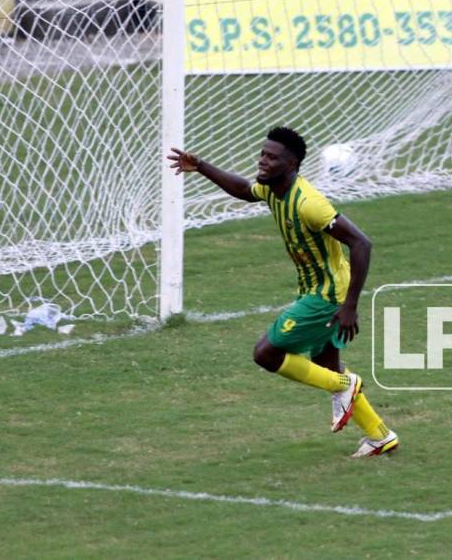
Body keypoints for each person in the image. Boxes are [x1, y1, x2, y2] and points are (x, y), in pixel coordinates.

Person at [168, 127, 398, 457]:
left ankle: (346, 386)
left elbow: (362, 243)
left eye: (272, 157)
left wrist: (350, 306)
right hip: (318, 288)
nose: (263, 161)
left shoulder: (309, 204)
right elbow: (245, 191)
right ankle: (380, 435)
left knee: (266, 353)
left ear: (291, 164)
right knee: (326, 365)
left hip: (328, 295)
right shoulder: (271, 189)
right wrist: (201, 165)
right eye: (262, 154)